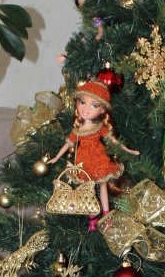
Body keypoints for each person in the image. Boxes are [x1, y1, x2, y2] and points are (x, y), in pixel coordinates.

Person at [46, 79, 138, 224]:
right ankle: (92, 219)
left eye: (94, 105)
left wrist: (126, 149)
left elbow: (113, 140)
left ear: (102, 110)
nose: (85, 109)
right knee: (88, 190)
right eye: (82, 102)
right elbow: (68, 143)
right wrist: (56, 157)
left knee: (102, 186)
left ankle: (107, 217)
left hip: (99, 159)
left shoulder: (99, 127)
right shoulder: (77, 130)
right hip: (83, 161)